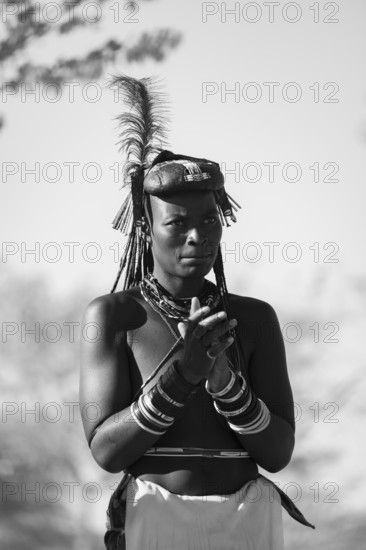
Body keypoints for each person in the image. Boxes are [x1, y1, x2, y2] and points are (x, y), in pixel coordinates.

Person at [79, 76, 314, 549]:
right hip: (156, 514)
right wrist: (182, 376)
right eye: (178, 223)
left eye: (209, 220)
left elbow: (278, 453)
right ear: (146, 229)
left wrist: (226, 384)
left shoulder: (253, 320)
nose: (197, 236)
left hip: (248, 519)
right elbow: (105, 451)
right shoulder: (115, 316)